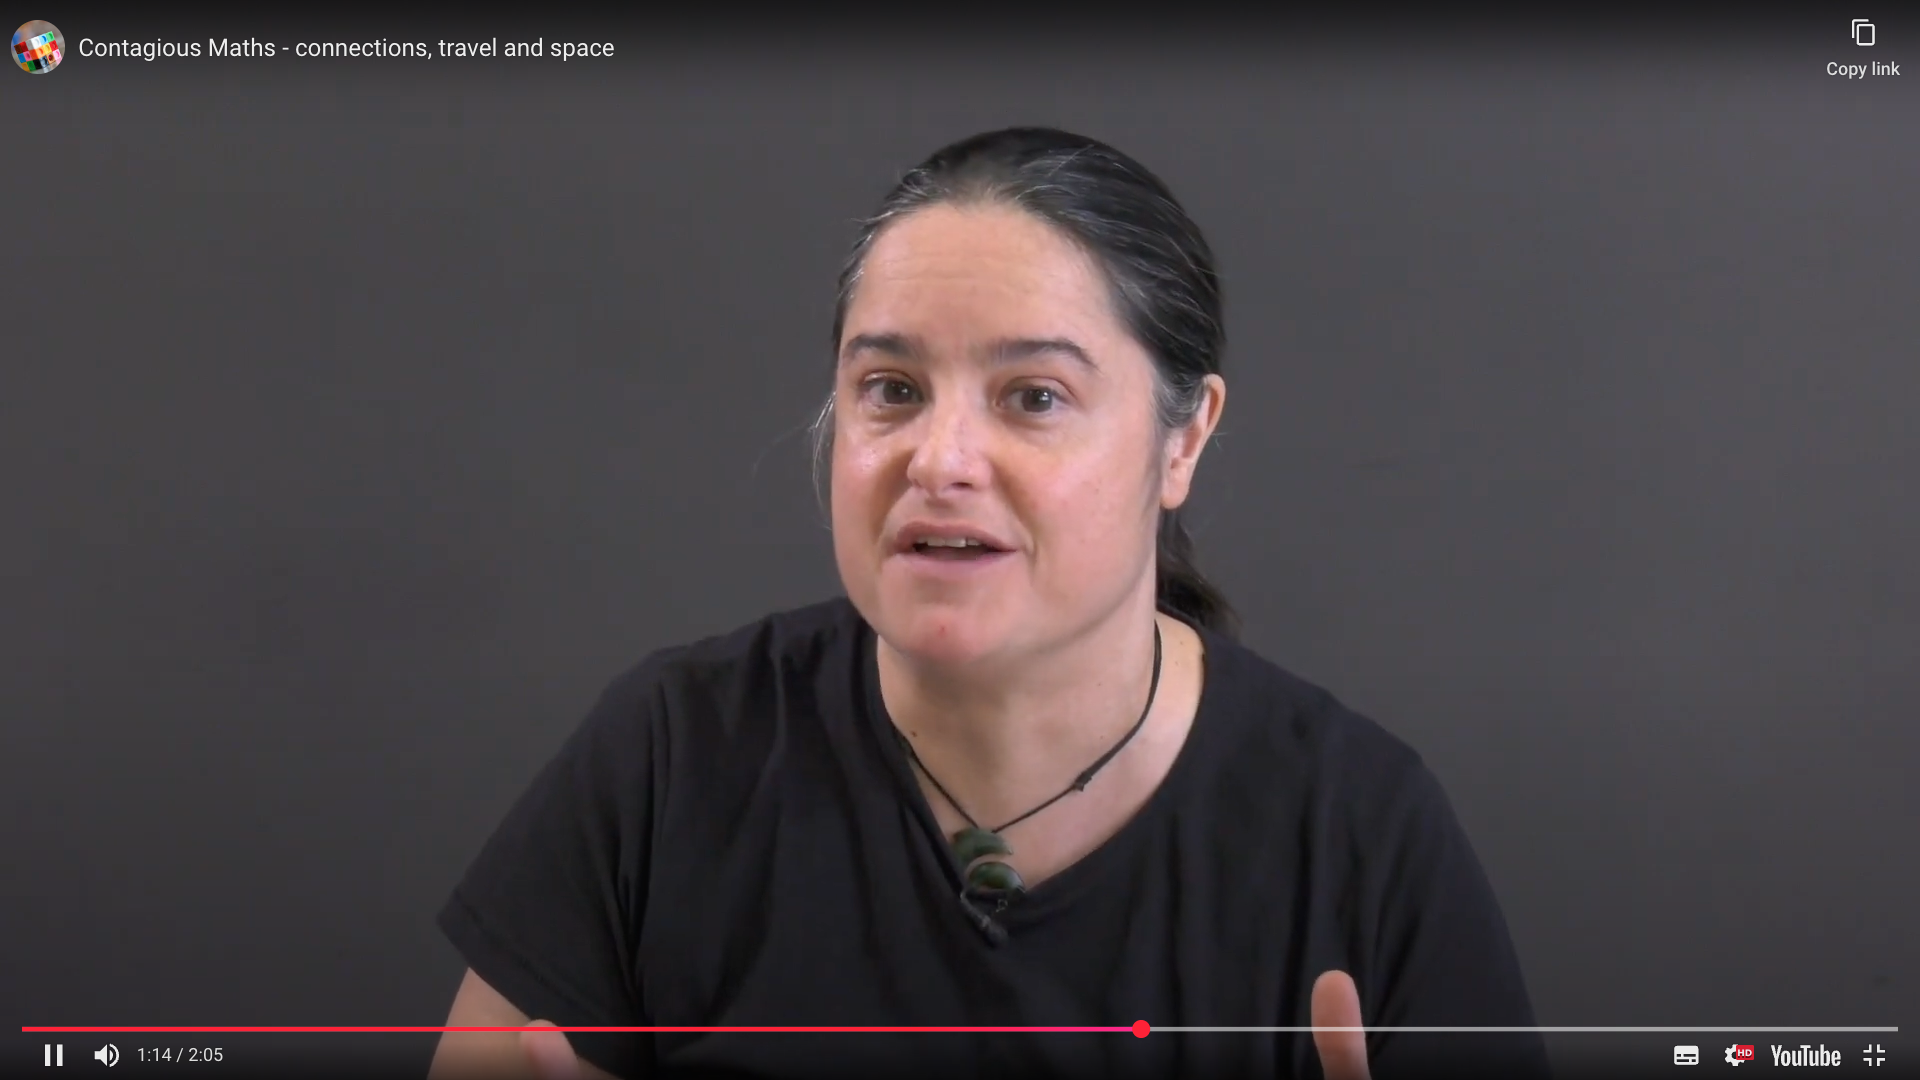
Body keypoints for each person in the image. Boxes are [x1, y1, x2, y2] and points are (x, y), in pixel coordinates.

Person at [426, 127, 1550, 1080]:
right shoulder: (674, 759)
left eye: (1034, 397)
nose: (940, 458)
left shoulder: (1359, 834)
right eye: (892, 390)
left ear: (1183, 439)